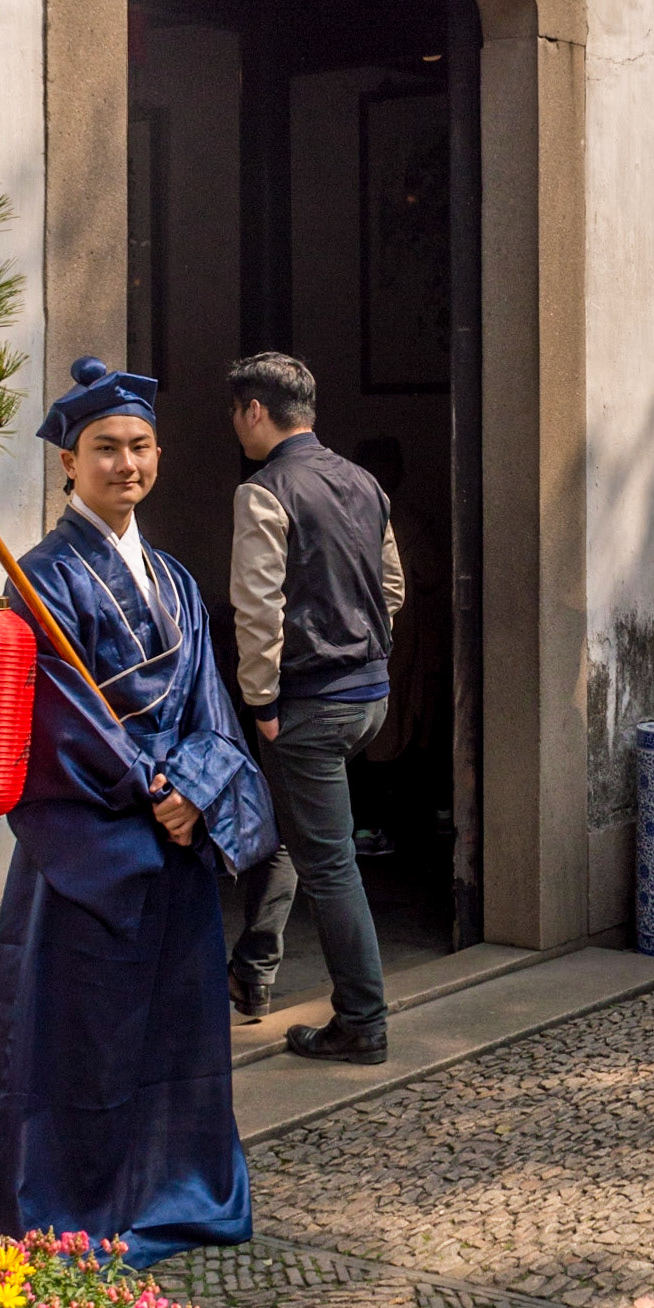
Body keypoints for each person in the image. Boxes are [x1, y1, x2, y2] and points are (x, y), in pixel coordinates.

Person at [0, 356, 278, 1261]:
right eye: (105, 447)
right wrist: (157, 795)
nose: (127, 464)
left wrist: (201, 790)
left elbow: (211, 709)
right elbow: (57, 720)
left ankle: (177, 1193)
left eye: (141, 445)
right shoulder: (39, 581)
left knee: (177, 1033)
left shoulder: (178, 580)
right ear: (69, 460)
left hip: (175, 847)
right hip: (93, 855)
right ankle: (70, 1210)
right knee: (82, 1045)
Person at [225, 352, 404, 1062]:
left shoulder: (264, 490)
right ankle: (254, 973)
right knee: (301, 832)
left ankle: (363, 1020)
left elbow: (256, 609)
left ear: (255, 411)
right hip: (368, 693)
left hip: (307, 702)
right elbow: (392, 587)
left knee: (329, 862)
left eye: (237, 413)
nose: (236, 426)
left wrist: (260, 699)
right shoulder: (362, 481)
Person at [349, 436, 449, 857]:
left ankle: (371, 827)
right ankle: (394, 826)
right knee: (400, 733)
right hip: (396, 648)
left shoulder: (346, 518)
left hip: (368, 649)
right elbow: (431, 577)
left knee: (371, 737)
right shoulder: (407, 522)